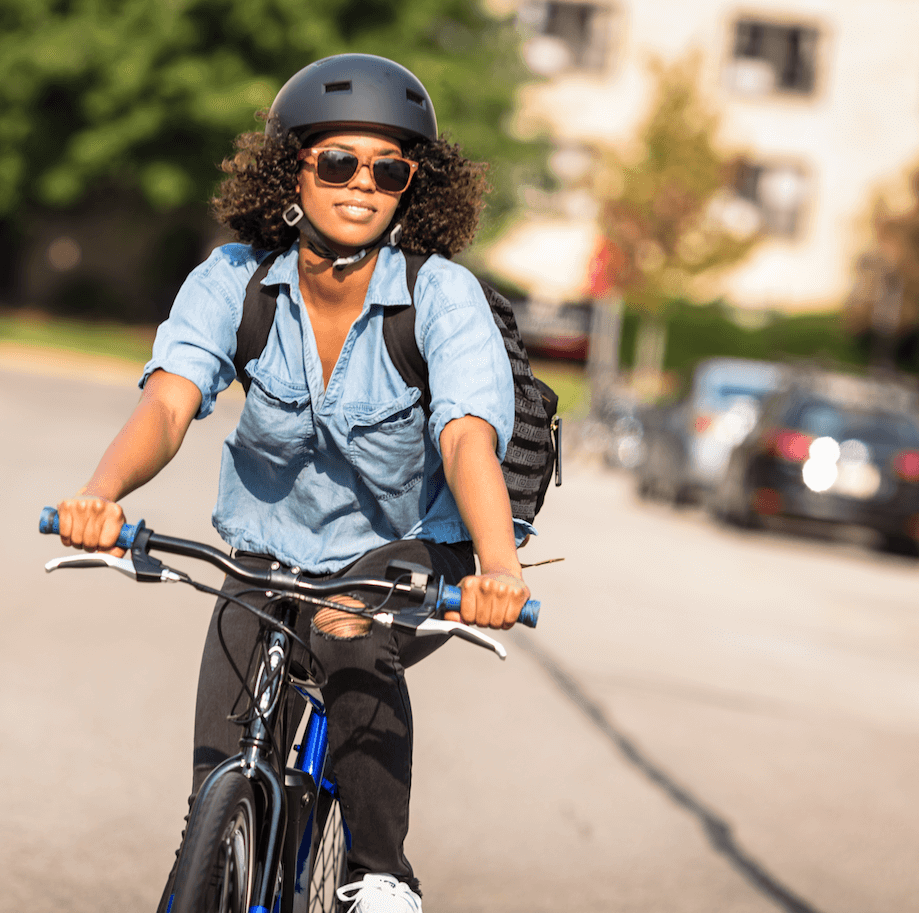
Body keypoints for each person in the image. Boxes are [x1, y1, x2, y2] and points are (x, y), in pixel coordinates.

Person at [53, 53, 533, 913]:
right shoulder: (235, 280)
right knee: (214, 788)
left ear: (413, 187)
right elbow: (170, 404)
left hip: (405, 551)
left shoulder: (440, 297)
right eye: (339, 162)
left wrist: (496, 566)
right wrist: (102, 495)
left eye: (389, 169)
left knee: (345, 623)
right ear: (292, 169)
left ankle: (381, 873)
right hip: (267, 551)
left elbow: (465, 440)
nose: (363, 185)